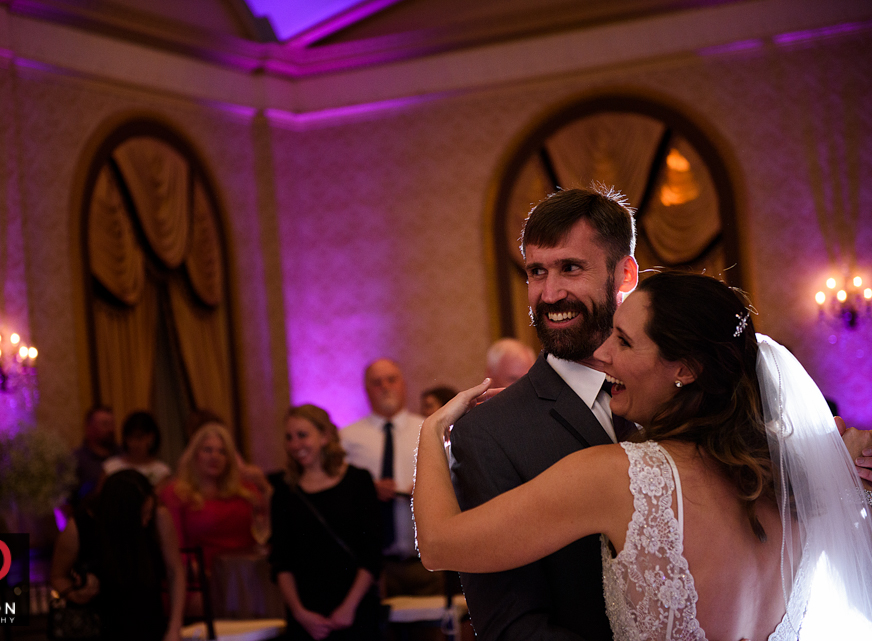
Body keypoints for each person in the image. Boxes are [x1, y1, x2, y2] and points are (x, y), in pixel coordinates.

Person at [416, 272, 872, 639]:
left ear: (686, 369)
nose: (602, 353)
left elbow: (438, 545)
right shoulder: (792, 482)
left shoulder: (621, 475)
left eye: (625, 341)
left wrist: (431, 432)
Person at [449, 187, 638, 640]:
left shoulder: (678, 398)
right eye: (537, 272)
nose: (549, 294)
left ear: (624, 274)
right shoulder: (489, 434)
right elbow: (513, 627)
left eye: (570, 268)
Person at [270, 404, 382, 640]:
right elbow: (281, 561)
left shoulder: (358, 481)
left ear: (325, 436)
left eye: (302, 435)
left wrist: (349, 607)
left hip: (355, 606)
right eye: (289, 438)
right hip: (305, 611)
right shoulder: (284, 490)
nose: (295, 444)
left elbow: (371, 552)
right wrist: (300, 613)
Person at [51, 469, 185, 641]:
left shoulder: (159, 518)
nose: (146, 522)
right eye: (141, 515)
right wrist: (76, 594)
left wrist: (174, 628)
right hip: (99, 626)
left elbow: (175, 572)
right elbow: (57, 576)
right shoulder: (80, 527)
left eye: (149, 513)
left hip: (149, 623)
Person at [341, 358, 437, 596]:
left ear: (403, 384)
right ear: (366, 390)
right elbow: (338, 494)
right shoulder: (346, 438)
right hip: (372, 567)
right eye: (376, 382)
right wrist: (367, 490)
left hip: (427, 562)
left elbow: (457, 481)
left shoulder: (428, 429)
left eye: (391, 380)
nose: (385, 387)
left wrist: (430, 489)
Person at [160, 421, 271, 570]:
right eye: (207, 450)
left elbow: (272, 523)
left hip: (248, 574)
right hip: (202, 578)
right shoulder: (177, 493)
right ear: (195, 454)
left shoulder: (245, 490)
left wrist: (265, 487)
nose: (215, 456)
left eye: (222, 452)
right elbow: (176, 551)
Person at [102, 411, 171, 488]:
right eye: (130, 438)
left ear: (151, 437)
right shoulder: (111, 466)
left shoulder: (161, 471)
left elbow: (157, 498)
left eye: (139, 437)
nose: (134, 443)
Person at [70, 406, 119, 509]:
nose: (111, 429)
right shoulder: (76, 460)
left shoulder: (123, 454)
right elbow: (67, 501)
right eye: (105, 424)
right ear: (89, 428)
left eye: (112, 424)